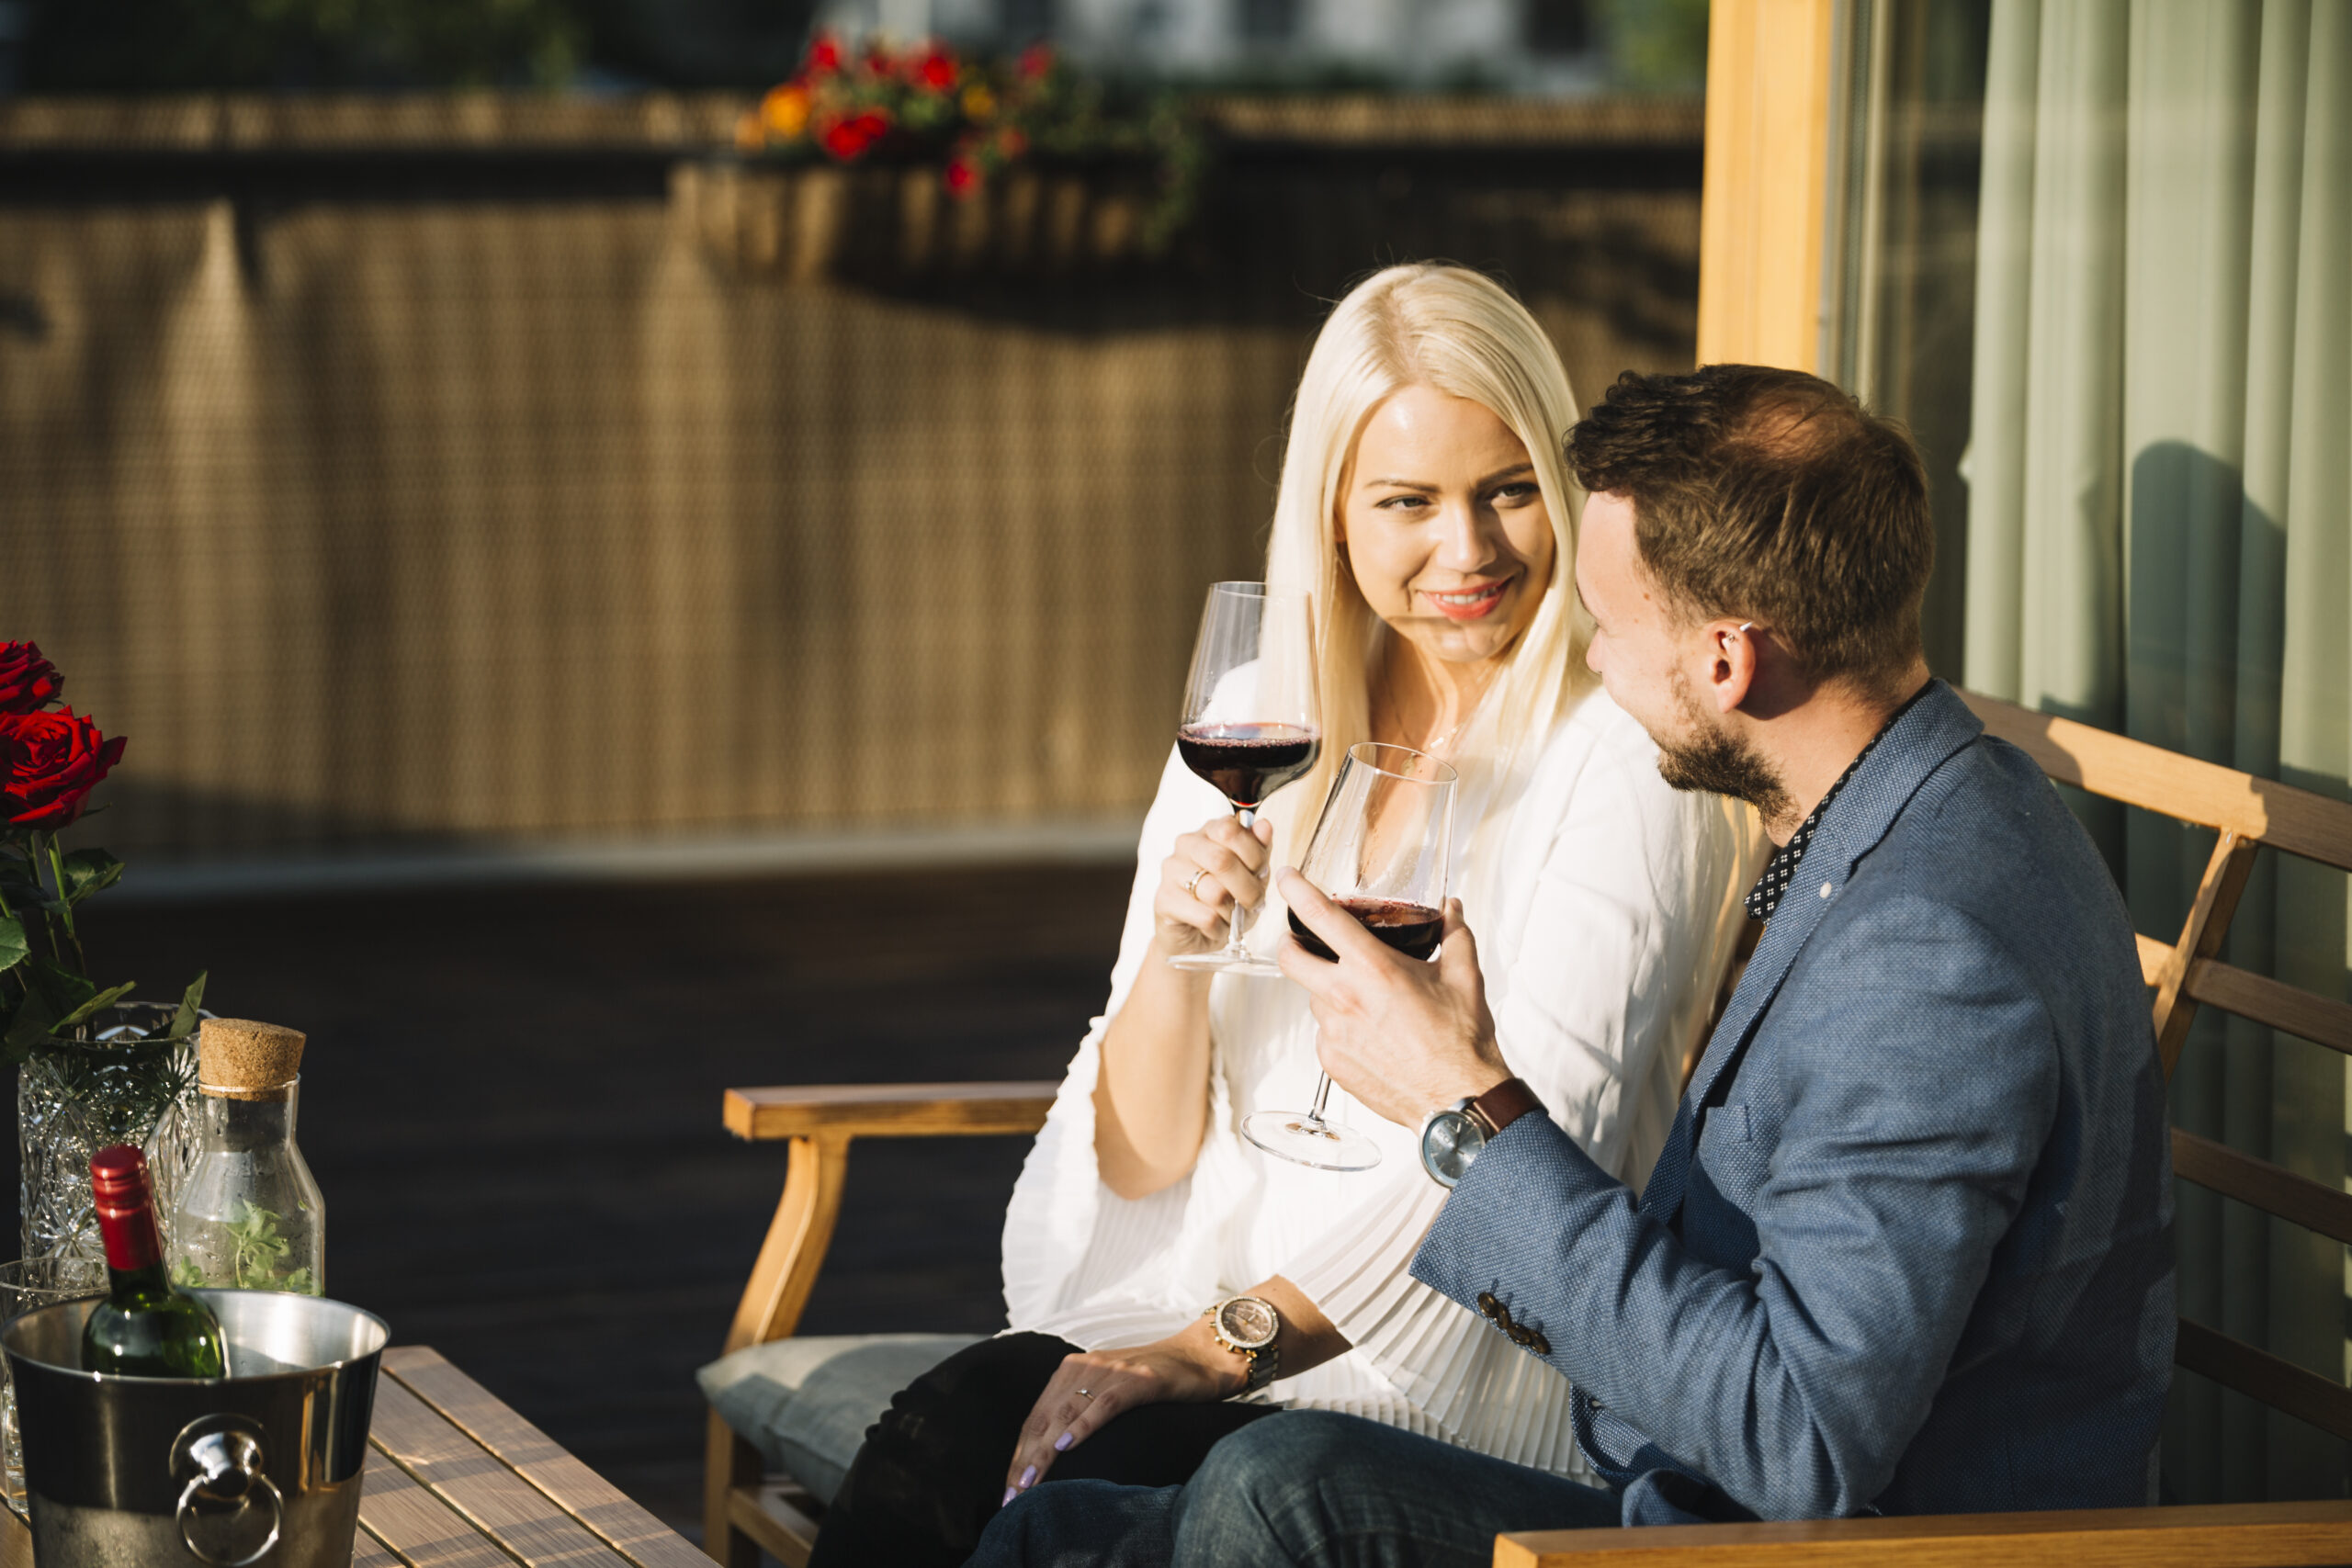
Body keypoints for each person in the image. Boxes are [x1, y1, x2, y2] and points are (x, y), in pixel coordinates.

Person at [968, 363, 2177, 1567]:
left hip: (1826, 1550)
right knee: (1059, 1532)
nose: (1589, 660)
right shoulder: (1917, 806)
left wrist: (1466, 1107)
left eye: (1609, 624)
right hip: (1686, 1498)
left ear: (1726, 662)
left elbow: (1799, 1441)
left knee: (1276, 1488)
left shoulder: (1930, 953)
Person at [803, 269, 1760, 1568]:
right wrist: (1178, 960)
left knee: (1049, 1480)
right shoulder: (1266, 706)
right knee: (954, 1425)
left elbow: (1540, 1143)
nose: (1467, 552)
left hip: (1440, 1376)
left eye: (1510, 491)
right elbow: (1143, 1162)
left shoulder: (1621, 753)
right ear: (1333, 517)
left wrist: (1210, 1352)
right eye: (1408, 503)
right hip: (1221, 1315)